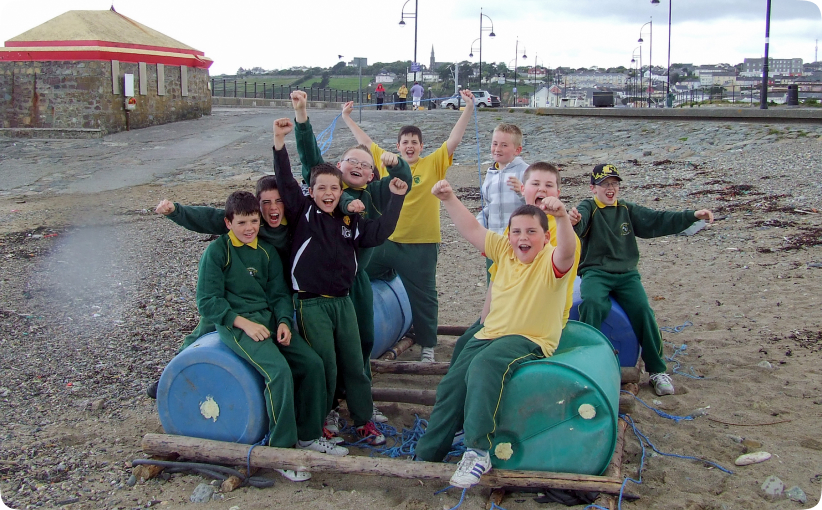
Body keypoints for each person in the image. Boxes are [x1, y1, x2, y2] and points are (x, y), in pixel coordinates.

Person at [152, 178, 342, 480]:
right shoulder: (217, 253)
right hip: (236, 325)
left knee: (313, 364)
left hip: (268, 320)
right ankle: (280, 452)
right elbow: (208, 302)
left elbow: (280, 293)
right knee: (278, 372)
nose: (249, 227)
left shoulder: (265, 252)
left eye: (254, 221)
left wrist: (282, 321)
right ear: (228, 223)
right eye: (242, 222)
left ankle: (309, 434)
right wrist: (243, 324)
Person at [415, 180, 577, 489]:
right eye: (517, 231)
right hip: (491, 332)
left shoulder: (552, 258)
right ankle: (428, 454)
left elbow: (568, 251)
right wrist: (449, 197)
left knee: (484, 366)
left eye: (531, 231)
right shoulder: (504, 250)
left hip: (530, 337)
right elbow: (473, 229)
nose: (522, 238)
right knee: (452, 383)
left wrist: (562, 218)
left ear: (544, 236)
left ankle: (478, 450)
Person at [272, 117, 408, 446]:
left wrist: (397, 199)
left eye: (334, 188)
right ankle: (321, 422)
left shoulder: (350, 221)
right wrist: (279, 141)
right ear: (311, 190)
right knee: (327, 365)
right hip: (311, 303)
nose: (329, 193)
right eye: (322, 188)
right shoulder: (302, 211)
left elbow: (378, 233)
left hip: (343, 301)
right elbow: (286, 179)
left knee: (355, 363)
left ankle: (363, 420)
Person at [341, 90, 476, 362]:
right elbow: (364, 142)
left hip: (421, 244)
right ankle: (353, 328)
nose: (409, 146)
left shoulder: (434, 164)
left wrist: (469, 108)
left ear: (422, 146)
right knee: (359, 271)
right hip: (387, 241)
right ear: (398, 146)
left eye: (414, 142)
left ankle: (427, 346)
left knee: (424, 295)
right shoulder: (387, 160)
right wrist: (346, 117)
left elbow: (454, 139)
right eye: (405, 142)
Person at [571, 164, 714, 396]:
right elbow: (577, 223)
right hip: (596, 272)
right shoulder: (588, 207)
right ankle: (587, 364)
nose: (610, 189)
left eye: (614, 184)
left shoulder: (627, 209)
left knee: (644, 311)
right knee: (592, 304)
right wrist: (572, 220)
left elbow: (656, 220)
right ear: (593, 188)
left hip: (627, 275)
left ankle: (657, 371)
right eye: (604, 184)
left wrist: (692, 216)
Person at [451, 162, 582, 365]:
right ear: (523, 189)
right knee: (464, 344)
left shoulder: (563, 236)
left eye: (548, 185)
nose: (542, 189)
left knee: (484, 359)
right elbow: (497, 276)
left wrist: (563, 218)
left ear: (557, 192)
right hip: (505, 314)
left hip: (537, 321)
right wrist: (485, 318)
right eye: (535, 183)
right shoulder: (515, 228)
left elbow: (562, 263)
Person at [476, 123, 528, 282]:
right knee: (494, 283)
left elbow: (536, 206)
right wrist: (479, 227)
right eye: (495, 143)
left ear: (517, 150)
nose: (497, 148)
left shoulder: (526, 171)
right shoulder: (490, 173)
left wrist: (522, 192)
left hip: (518, 243)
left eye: (504, 145)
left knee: (516, 283)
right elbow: (489, 207)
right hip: (494, 242)